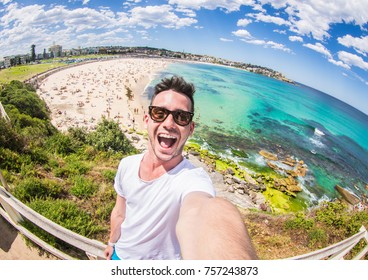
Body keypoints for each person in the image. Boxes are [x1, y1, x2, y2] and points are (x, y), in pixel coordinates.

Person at [104, 76, 258, 260]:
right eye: (159, 113)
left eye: (181, 117)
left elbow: (203, 211)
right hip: (118, 255)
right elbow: (120, 213)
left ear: (191, 129)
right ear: (146, 119)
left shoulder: (192, 180)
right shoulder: (126, 165)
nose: (169, 123)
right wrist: (112, 243)